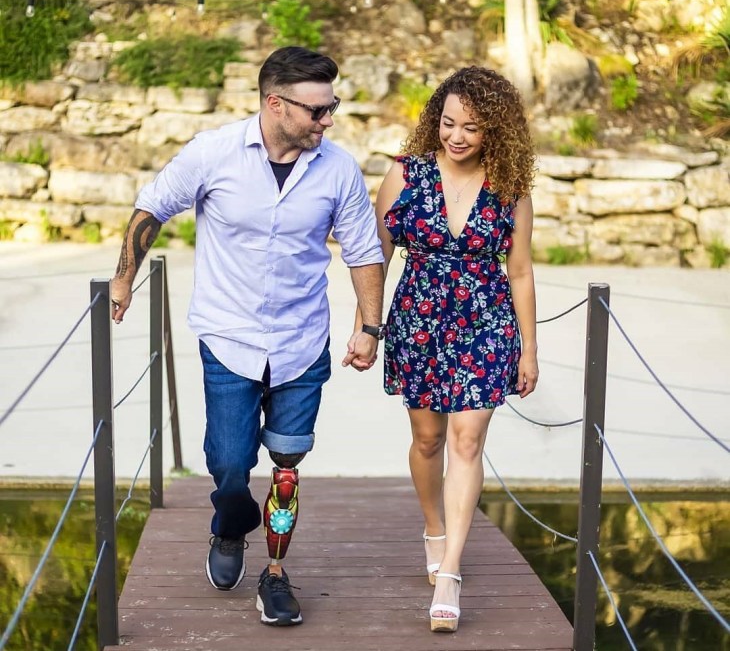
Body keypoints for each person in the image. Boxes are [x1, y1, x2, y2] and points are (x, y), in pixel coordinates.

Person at [110, 46, 385, 627]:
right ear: (275, 104)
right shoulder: (214, 153)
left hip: (301, 342)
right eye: (317, 110)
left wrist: (369, 327)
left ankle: (277, 575)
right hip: (229, 337)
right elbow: (153, 207)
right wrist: (123, 278)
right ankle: (229, 526)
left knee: (286, 465)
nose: (328, 120)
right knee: (229, 463)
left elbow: (363, 251)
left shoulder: (337, 169)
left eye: (331, 107)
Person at [373, 66, 538, 632]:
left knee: (468, 441)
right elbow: (376, 257)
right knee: (428, 438)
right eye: (448, 123)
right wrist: (365, 327)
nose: (457, 136)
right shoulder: (404, 174)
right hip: (418, 318)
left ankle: (449, 573)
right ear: (434, 121)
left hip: (486, 321)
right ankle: (432, 526)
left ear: (495, 129)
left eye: (471, 126)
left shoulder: (510, 187)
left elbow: (519, 272)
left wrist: (529, 351)